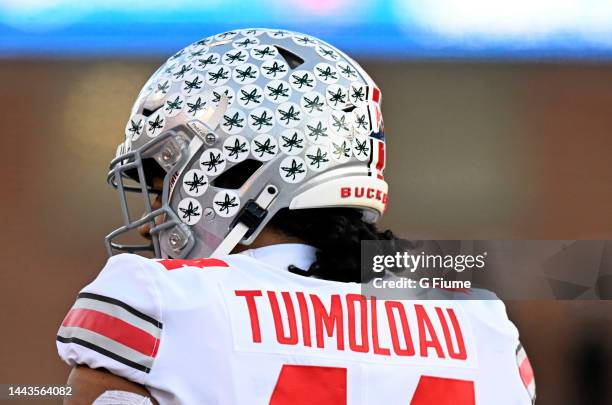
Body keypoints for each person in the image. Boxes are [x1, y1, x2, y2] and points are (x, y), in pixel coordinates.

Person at [56, 28, 535, 404]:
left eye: (162, 191)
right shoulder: (483, 326)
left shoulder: (156, 301)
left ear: (233, 171)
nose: (149, 222)